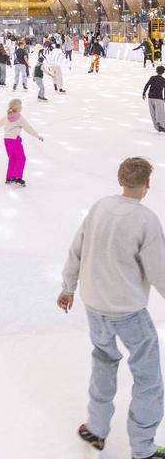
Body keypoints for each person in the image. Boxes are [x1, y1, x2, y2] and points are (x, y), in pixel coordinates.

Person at [58, 157, 165, 459]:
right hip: (128, 312)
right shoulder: (146, 219)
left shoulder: (100, 207)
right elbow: (160, 271)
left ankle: (96, 428)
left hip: (95, 307)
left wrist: (68, 287)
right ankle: (143, 448)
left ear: (121, 180)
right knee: (149, 380)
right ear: (147, 184)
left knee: (104, 361)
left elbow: (76, 248)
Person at [0, 98, 43, 187]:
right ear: (17, 107)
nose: (22, 107)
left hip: (6, 140)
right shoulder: (18, 117)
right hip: (14, 140)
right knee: (21, 158)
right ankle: (16, 178)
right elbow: (27, 127)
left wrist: (0, 125)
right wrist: (37, 135)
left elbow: (0, 123)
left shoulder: (8, 115)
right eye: (21, 105)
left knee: (12, 158)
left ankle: (9, 177)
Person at [143, 66, 165, 133]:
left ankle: (157, 127)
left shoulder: (152, 78)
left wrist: (144, 93)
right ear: (163, 72)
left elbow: (147, 85)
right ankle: (162, 127)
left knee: (152, 113)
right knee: (160, 113)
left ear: (156, 71)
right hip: (158, 98)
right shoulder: (163, 80)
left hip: (150, 98)